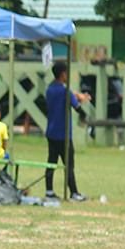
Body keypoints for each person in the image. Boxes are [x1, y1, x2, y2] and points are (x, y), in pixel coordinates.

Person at [44, 61, 91, 202]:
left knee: (51, 162)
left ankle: (49, 191)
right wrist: (84, 117)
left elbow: (70, 98)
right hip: (63, 134)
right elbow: (77, 108)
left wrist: (77, 96)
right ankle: (74, 193)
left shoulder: (49, 90)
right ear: (63, 74)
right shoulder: (65, 91)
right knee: (69, 164)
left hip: (51, 132)